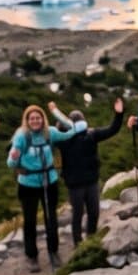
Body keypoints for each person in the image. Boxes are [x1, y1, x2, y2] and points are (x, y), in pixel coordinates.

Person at [49, 97, 126, 245]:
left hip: (88, 182)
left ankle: (89, 242)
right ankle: (80, 244)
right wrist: (118, 115)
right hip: (77, 184)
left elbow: (112, 129)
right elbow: (113, 129)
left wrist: (119, 114)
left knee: (91, 213)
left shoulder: (90, 135)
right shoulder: (66, 139)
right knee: (81, 214)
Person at [7, 104, 73, 271]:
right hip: (28, 184)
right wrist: (14, 158)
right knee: (30, 221)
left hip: (49, 181)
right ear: (27, 121)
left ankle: (54, 251)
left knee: (51, 218)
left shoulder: (50, 132)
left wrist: (56, 112)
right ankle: (32, 256)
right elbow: (10, 163)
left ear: (42, 119)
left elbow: (70, 130)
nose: (35, 121)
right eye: (32, 118)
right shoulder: (21, 137)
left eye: (38, 118)